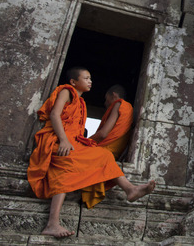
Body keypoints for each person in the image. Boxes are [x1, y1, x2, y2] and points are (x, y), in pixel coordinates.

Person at [27, 67, 155, 238]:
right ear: (74, 82)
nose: (90, 81)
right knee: (67, 165)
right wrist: (64, 139)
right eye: (86, 78)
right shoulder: (67, 91)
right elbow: (55, 115)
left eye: (90, 78)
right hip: (56, 140)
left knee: (104, 155)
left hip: (71, 142)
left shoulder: (81, 103)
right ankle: (52, 223)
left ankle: (130, 189)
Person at [81, 84, 134, 208]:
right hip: (115, 151)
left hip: (106, 149)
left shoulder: (119, 104)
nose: (105, 103)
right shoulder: (129, 109)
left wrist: (83, 142)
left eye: (106, 99)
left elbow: (103, 134)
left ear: (114, 95)